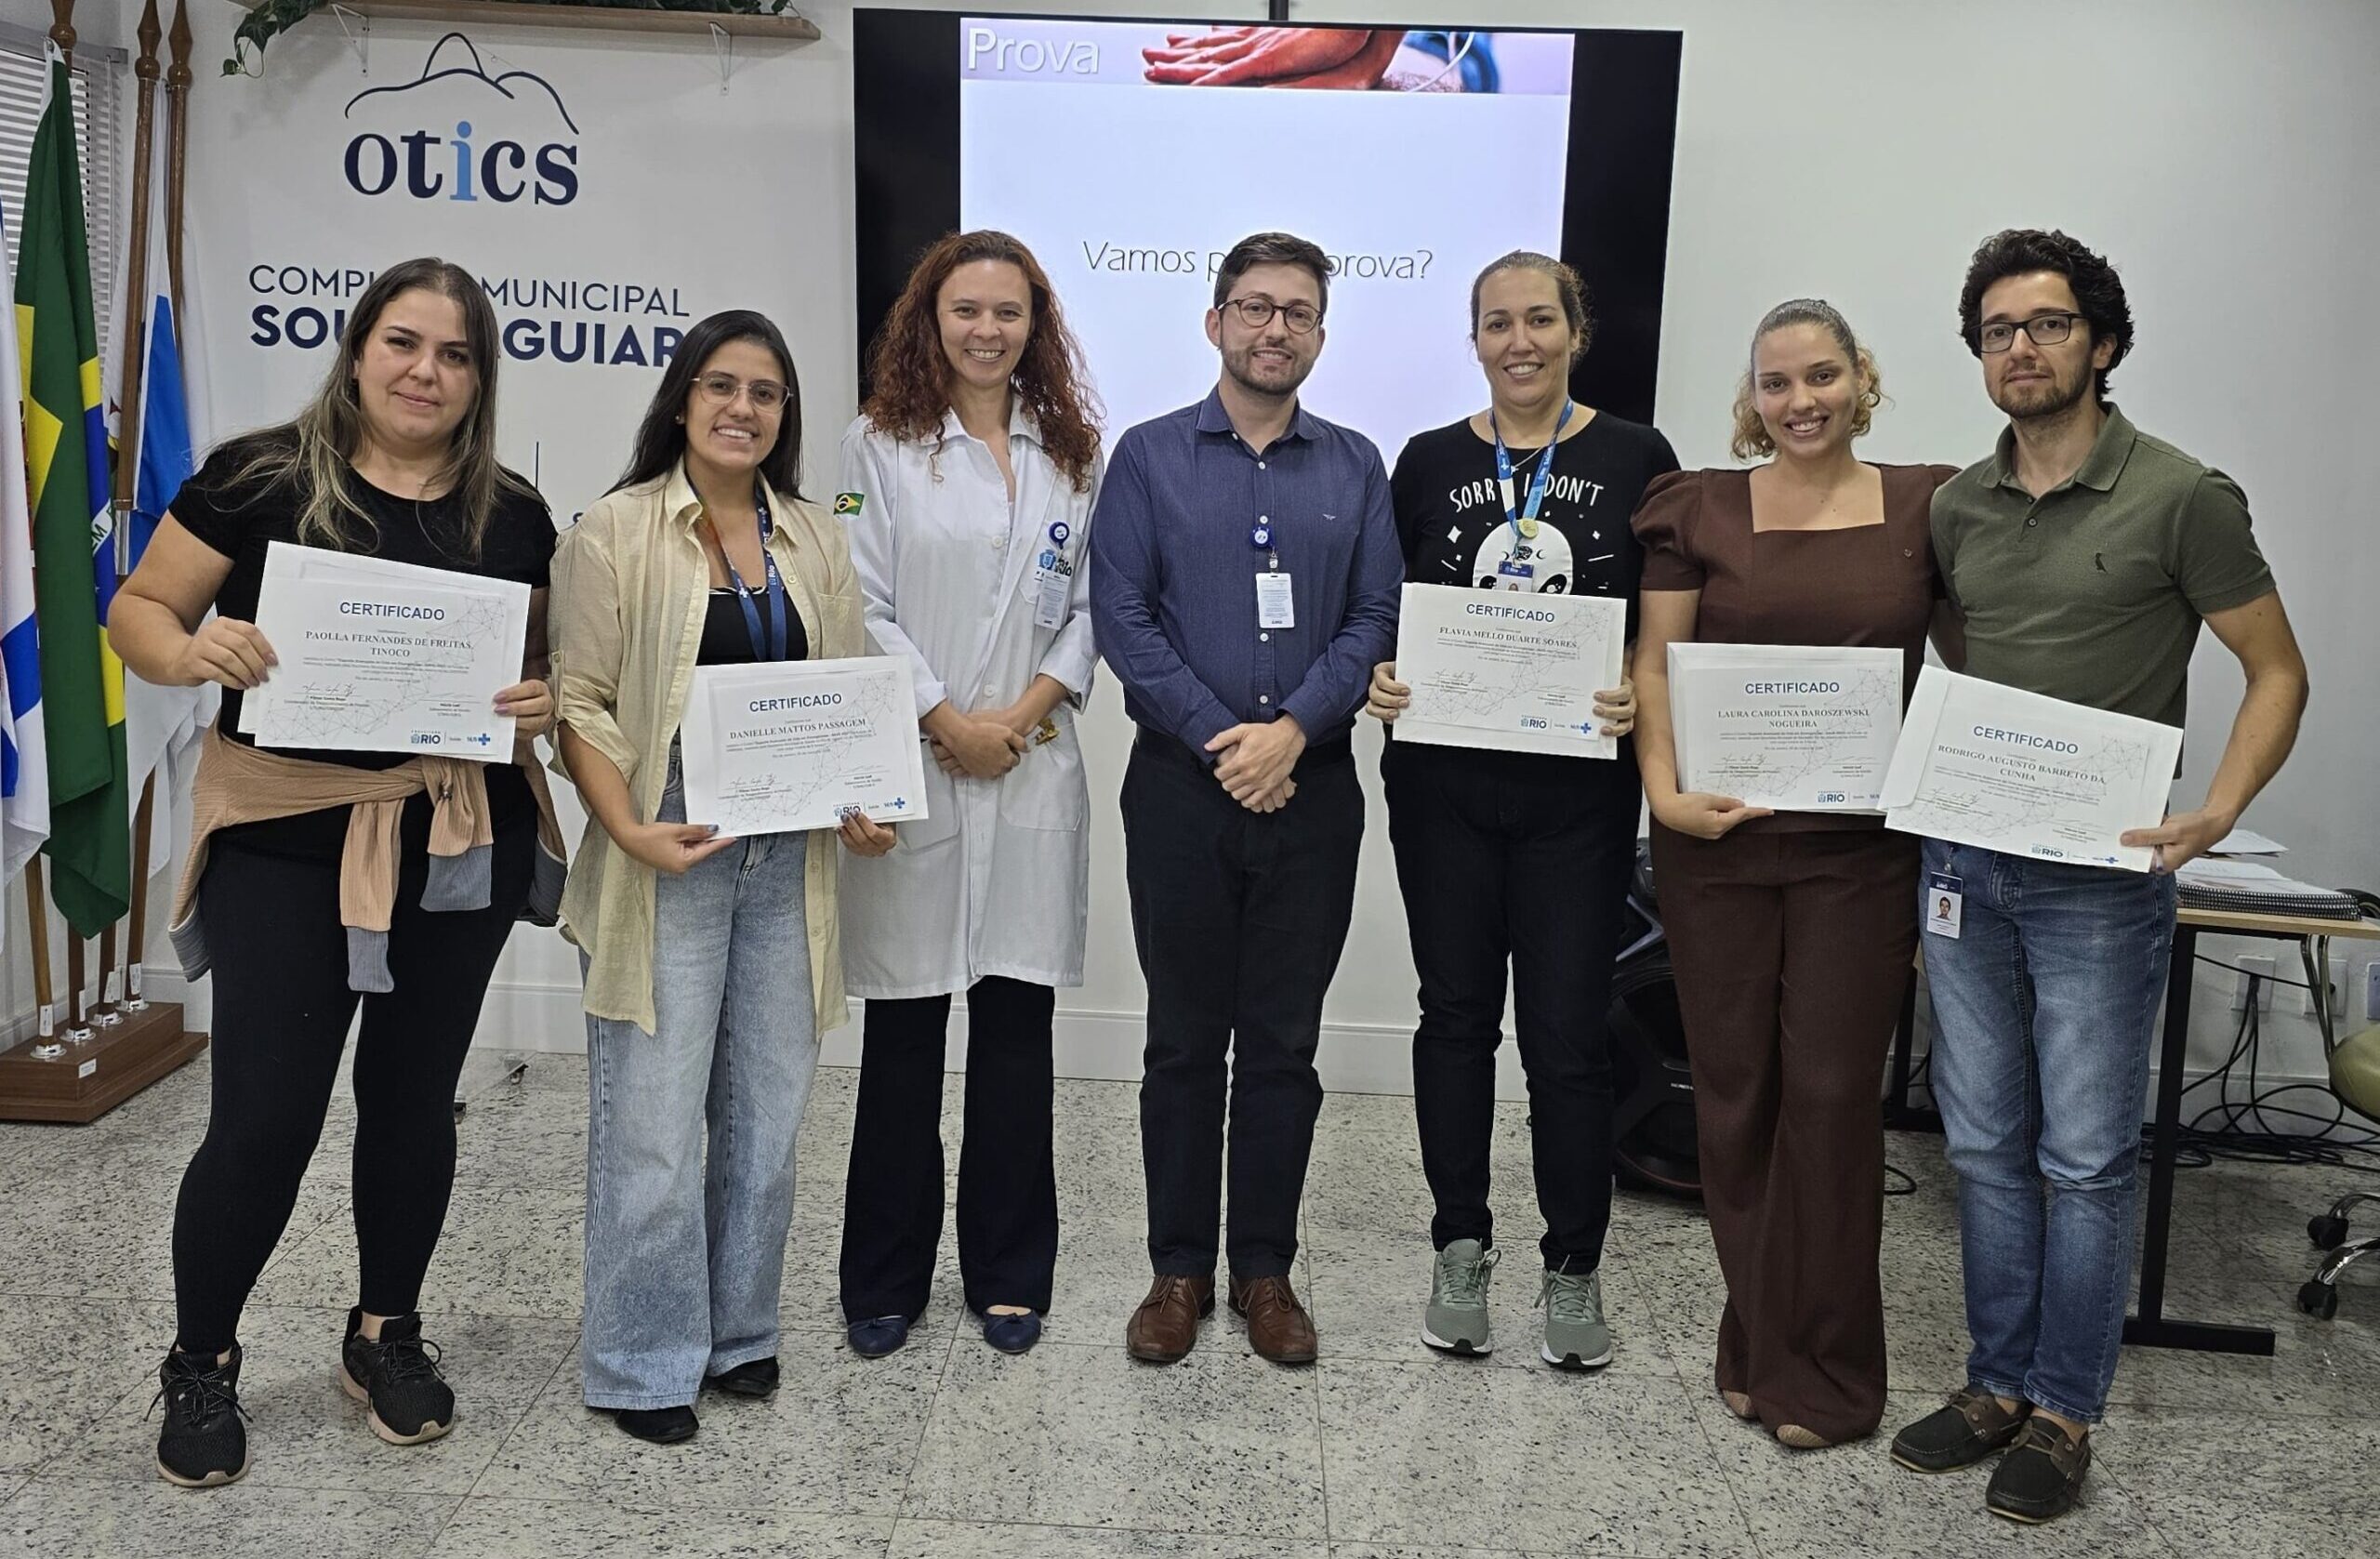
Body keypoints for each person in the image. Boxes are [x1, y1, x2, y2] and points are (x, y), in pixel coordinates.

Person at [112, 257, 562, 1487]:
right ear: (358, 350)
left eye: (456, 354)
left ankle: (383, 1331)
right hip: (287, 834)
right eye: (404, 343)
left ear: (480, 379)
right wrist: (197, 646)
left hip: (455, 833)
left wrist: (540, 698)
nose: (427, 371)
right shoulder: (258, 478)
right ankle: (201, 1358)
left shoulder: (512, 511)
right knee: (266, 1113)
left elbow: (539, 676)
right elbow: (138, 612)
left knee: (415, 1100)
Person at [1888, 231, 2307, 1523]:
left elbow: (2276, 670)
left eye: (2050, 324)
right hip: (1967, 865)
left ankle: (2065, 1410)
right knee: (1984, 1146)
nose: (2022, 347)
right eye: (1999, 329)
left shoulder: (2183, 494)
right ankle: (1991, 1386)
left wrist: (2220, 808)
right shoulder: (1958, 505)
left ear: (2103, 342)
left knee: (2083, 1157)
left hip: (2096, 884)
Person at [552, 310, 894, 1445]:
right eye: (721, 387)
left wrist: (862, 800)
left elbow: (845, 688)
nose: (742, 409)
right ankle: (642, 1359)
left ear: (785, 415)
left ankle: (738, 1334)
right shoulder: (615, 529)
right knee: (652, 1124)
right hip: (666, 843)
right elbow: (579, 701)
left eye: (766, 393)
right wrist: (629, 827)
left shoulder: (812, 534)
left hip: (788, 854)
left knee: (767, 1113)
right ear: (682, 400)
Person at [1630, 299, 1957, 1448]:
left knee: (1827, 1103)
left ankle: (1825, 1377)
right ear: (1750, 396)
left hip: (1857, 857)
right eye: (1776, 383)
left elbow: (1963, 677)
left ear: (1861, 377)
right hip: (1714, 846)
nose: (1800, 401)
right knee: (1735, 1101)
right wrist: (1663, 792)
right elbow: (1655, 666)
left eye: (1821, 376)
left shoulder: (1929, 504)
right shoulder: (1699, 508)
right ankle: (1758, 1343)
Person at [1090, 231, 1400, 1366]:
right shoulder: (1147, 457)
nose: (1276, 329)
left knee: (1283, 1045)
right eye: (1256, 307)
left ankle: (1265, 1270)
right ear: (1215, 321)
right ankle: (1177, 1270)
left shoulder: (1355, 465)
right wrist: (1229, 741)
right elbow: (1123, 617)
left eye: (1299, 313)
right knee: (1181, 1042)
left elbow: (1374, 617)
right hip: (1179, 790)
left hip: (1312, 795)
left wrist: (1291, 733)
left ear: (1320, 333)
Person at [1361, 252, 1677, 1370]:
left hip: (1576, 799)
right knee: (1453, 1021)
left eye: (1539, 319)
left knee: (1566, 1041)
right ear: (1475, 339)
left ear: (1574, 329)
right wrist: (1380, 679)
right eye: (1496, 324)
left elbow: (1666, 618)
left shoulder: (1638, 457)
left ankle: (1574, 1269)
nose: (1519, 342)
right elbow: (1383, 607)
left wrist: (1646, 685)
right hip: (1441, 789)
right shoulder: (1429, 460)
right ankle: (1459, 1246)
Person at [834, 231, 1104, 1360]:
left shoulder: (1073, 453)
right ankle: (883, 1283)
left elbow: (1093, 605)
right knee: (903, 1039)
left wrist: (1016, 718)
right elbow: (858, 604)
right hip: (919, 765)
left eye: (1009, 312)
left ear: (1034, 325)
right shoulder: (879, 444)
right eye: (966, 311)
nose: (987, 331)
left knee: (1015, 1036)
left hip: (1031, 764)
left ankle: (1007, 1275)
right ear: (928, 320)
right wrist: (947, 719)